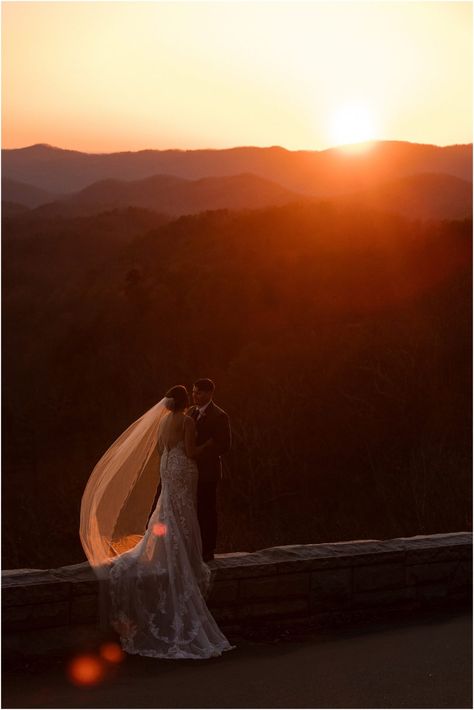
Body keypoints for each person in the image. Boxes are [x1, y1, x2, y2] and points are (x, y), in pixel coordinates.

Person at [80, 385, 234, 660]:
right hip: (182, 466)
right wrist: (206, 445)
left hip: (167, 465)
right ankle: (182, 553)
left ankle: (167, 547)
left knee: (167, 510)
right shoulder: (187, 421)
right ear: (186, 401)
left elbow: (163, 447)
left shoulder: (163, 421)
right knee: (182, 512)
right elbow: (190, 451)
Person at [187, 379, 232, 562]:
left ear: (209, 394)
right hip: (190, 471)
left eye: (199, 393)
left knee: (207, 510)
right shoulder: (190, 412)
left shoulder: (220, 416)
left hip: (208, 472)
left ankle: (207, 549)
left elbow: (224, 445)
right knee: (193, 509)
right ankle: (194, 546)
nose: (195, 395)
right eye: (194, 392)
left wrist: (201, 450)